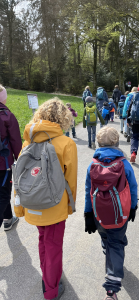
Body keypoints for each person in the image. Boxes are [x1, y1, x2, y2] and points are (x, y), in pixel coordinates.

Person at [14, 98, 78, 300]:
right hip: (54, 206)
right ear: (63, 118)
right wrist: (69, 207)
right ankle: (51, 290)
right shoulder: (66, 143)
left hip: (32, 204)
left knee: (43, 240)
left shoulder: (27, 142)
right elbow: (71, 181)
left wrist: (19, 208)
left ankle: (48, 275)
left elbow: (19, 177)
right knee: (53, 248)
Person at [84, 126, 138, 300]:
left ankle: (110, 250)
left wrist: (88, 214)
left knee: (107, 239)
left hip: (98, 214)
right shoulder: (123, 163)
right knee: (116, 243)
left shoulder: (93, 165)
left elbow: (88, 190)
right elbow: (133, 187)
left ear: (99, 143)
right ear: (116, 142)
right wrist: (133, 207)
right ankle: (111, 290)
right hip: (120, 213)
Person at [0, 84, 22, 231]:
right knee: (3, 192)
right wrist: (19, 158)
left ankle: (8, 219)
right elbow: (15, 140)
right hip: (3, 162)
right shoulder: (6, 115)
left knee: (4, 189)